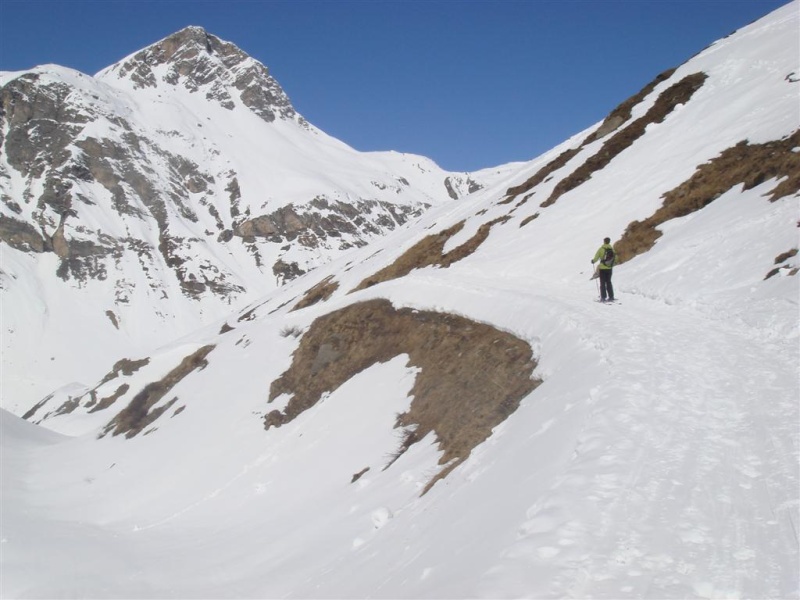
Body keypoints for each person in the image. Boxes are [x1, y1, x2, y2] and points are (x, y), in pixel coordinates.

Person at [591, 237, 615, 302]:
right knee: (609, 282)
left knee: (602, 283)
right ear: (609, 242)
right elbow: (615, 258)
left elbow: (596, 258)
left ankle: (603, 297)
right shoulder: (612, 249)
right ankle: (611, 296)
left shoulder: (601, 249)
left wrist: (593, 261)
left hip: (602, 268)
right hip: (609, 268)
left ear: (604, 241)